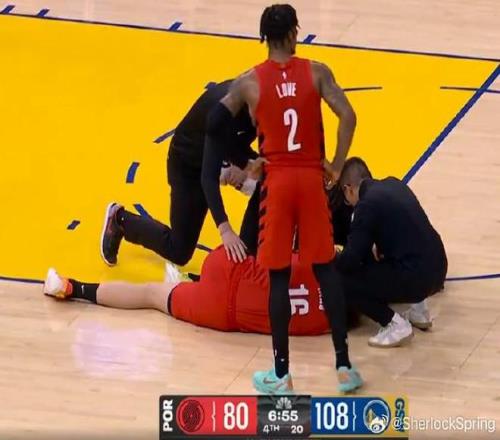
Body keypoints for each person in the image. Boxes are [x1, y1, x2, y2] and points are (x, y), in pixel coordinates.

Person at [206, 4, 362, 394]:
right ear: (293, 33)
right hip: (310, 179)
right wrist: (336, 165)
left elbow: (214, 123)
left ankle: (281, 374)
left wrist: (246, 160)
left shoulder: (249, 82)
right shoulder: (317, 72)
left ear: (264, 38)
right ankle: (344, 366)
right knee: (325, 270)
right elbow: (348, 116)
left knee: (278, 277)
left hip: (275, 182)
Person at [100, 80, 259, 268]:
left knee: (270, 178)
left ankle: (249, 258)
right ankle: (120, 221)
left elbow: (240, 142)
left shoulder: (264, 101)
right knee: (179, 251)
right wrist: (225, 230)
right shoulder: (223, 111)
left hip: (221, 152)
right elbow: (207, 177)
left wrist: (248, 164)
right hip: (189, 165)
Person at [42, 246, 330, 336]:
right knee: (151, 295)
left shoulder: (321, 263)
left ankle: (188, 281)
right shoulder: (323, 325)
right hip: (222, 314)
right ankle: (73, 288)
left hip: (228, 269)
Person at [335, 157, 448, 347]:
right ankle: (419, 311)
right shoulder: (395, 184)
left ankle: (394, 324)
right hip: (439, 267)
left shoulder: (366, 205)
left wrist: (332, 260)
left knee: (343, 280)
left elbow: (351, 260)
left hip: (418, 276)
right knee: (393, 252)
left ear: (349, 189)